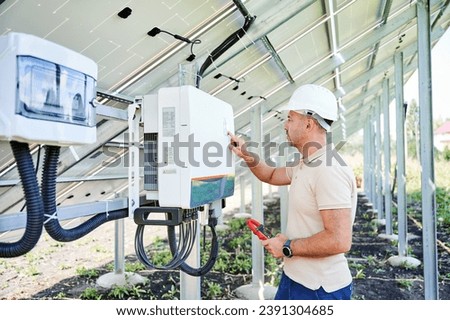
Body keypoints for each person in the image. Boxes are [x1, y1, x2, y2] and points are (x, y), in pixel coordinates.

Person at [228, 84, 357, 300]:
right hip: (296, 279)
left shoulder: (328, 170)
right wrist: (246, 154)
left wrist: (287, 246)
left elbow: (339, 239)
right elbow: (269, 175)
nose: (285, 125)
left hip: (319, 290)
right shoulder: (307, 163)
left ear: (308, 123)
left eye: (290, 118)